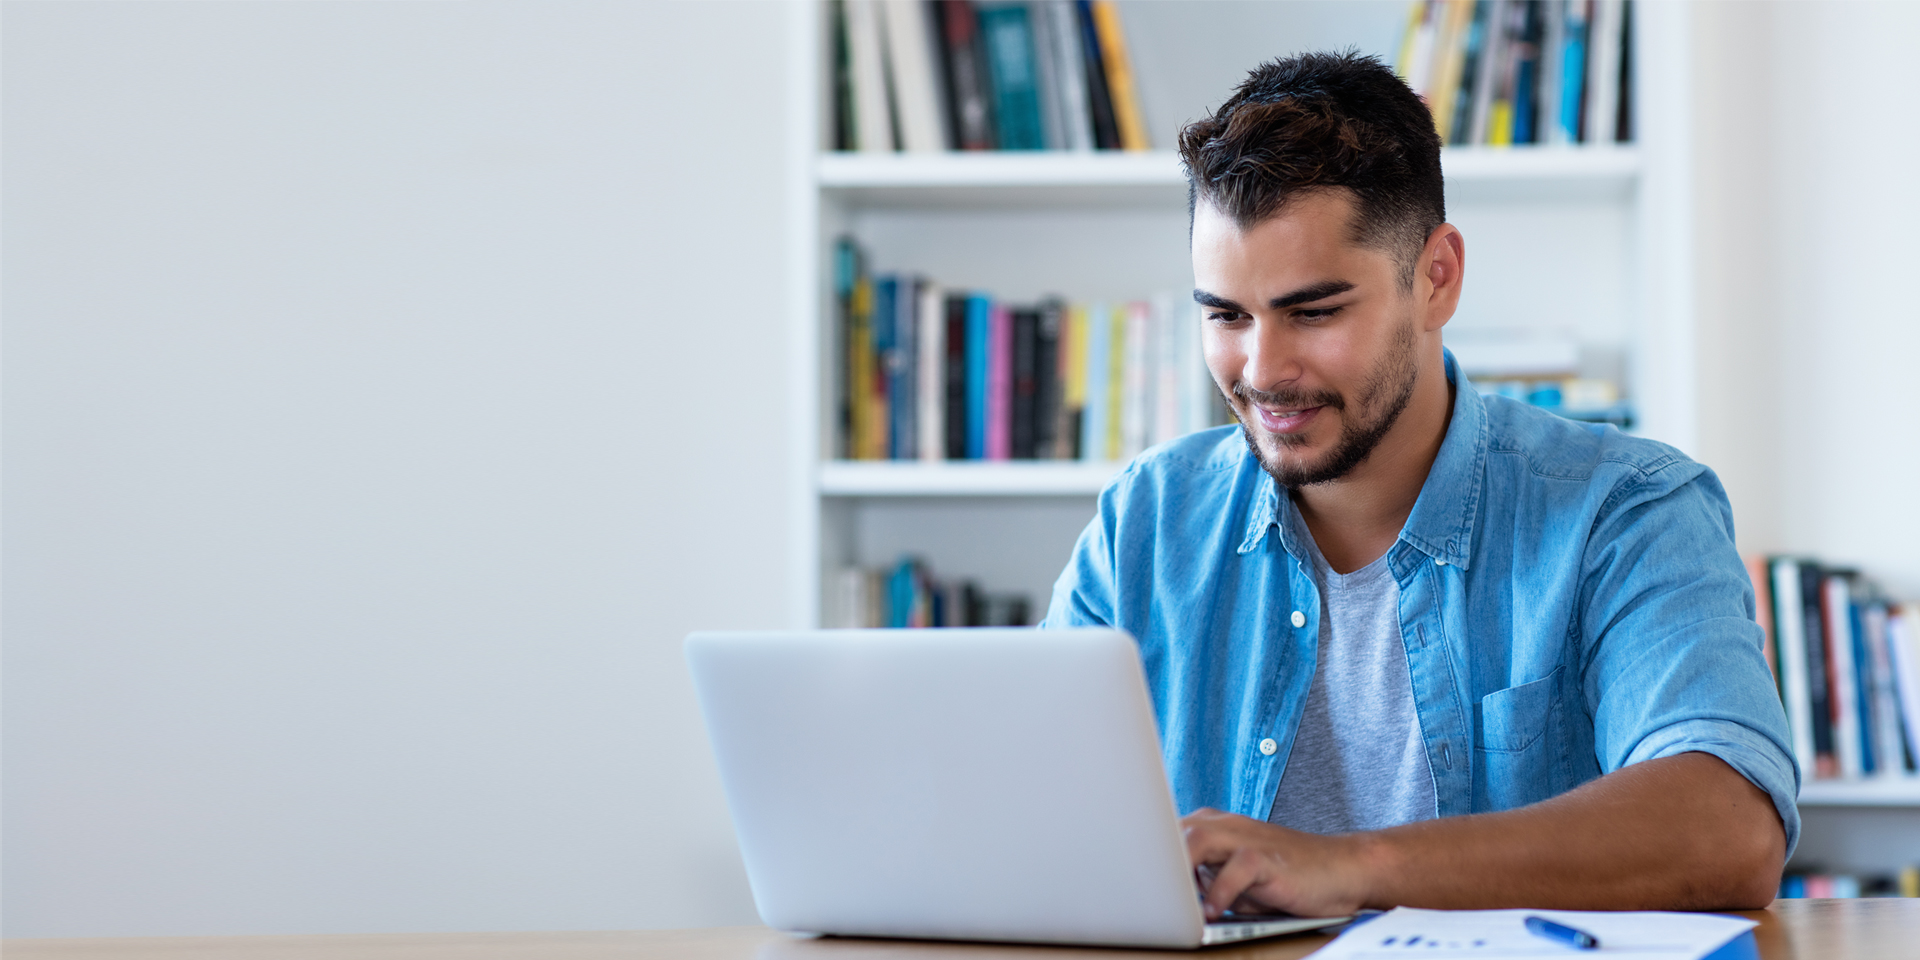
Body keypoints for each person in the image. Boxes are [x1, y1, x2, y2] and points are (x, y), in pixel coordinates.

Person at [1041, 52, 1796, 917]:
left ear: (1436, 278)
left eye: (1314, 312)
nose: (1261, 370)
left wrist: (1348, 867)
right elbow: (1026, 805)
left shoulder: (1624, 511)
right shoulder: (1147, 519)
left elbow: (1728, 834)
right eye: (1226, 315)